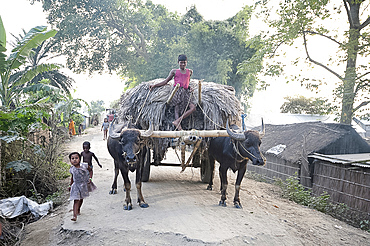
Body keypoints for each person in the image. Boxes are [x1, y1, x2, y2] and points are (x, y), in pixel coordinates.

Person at [149, 54, 196, 130]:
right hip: (176, 91)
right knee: (177, 109)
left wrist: (190, 88)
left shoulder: (189, 71)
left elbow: (187, 82)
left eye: (184, 62)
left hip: (186, 92)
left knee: (193, 107)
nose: (183, 64)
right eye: (181, 62)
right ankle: (178, 126)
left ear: (186, 62)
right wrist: (155, 85)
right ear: (178, 62)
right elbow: (165, 81)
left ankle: (177, 121)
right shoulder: (174, 71)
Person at [68, 152, 96, 221]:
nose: (74, 160)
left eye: (76, 158)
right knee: (76, 200)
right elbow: (72, 178)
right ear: (70, 161)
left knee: (81, 198)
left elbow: (90, 170)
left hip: (83, 185)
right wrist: (70, 185)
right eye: (72, 158)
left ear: (80, 159)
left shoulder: (84, 166)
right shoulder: (72, 169)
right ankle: (74, 216)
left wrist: (90, 178)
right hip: (76, 186)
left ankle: (78, 209)